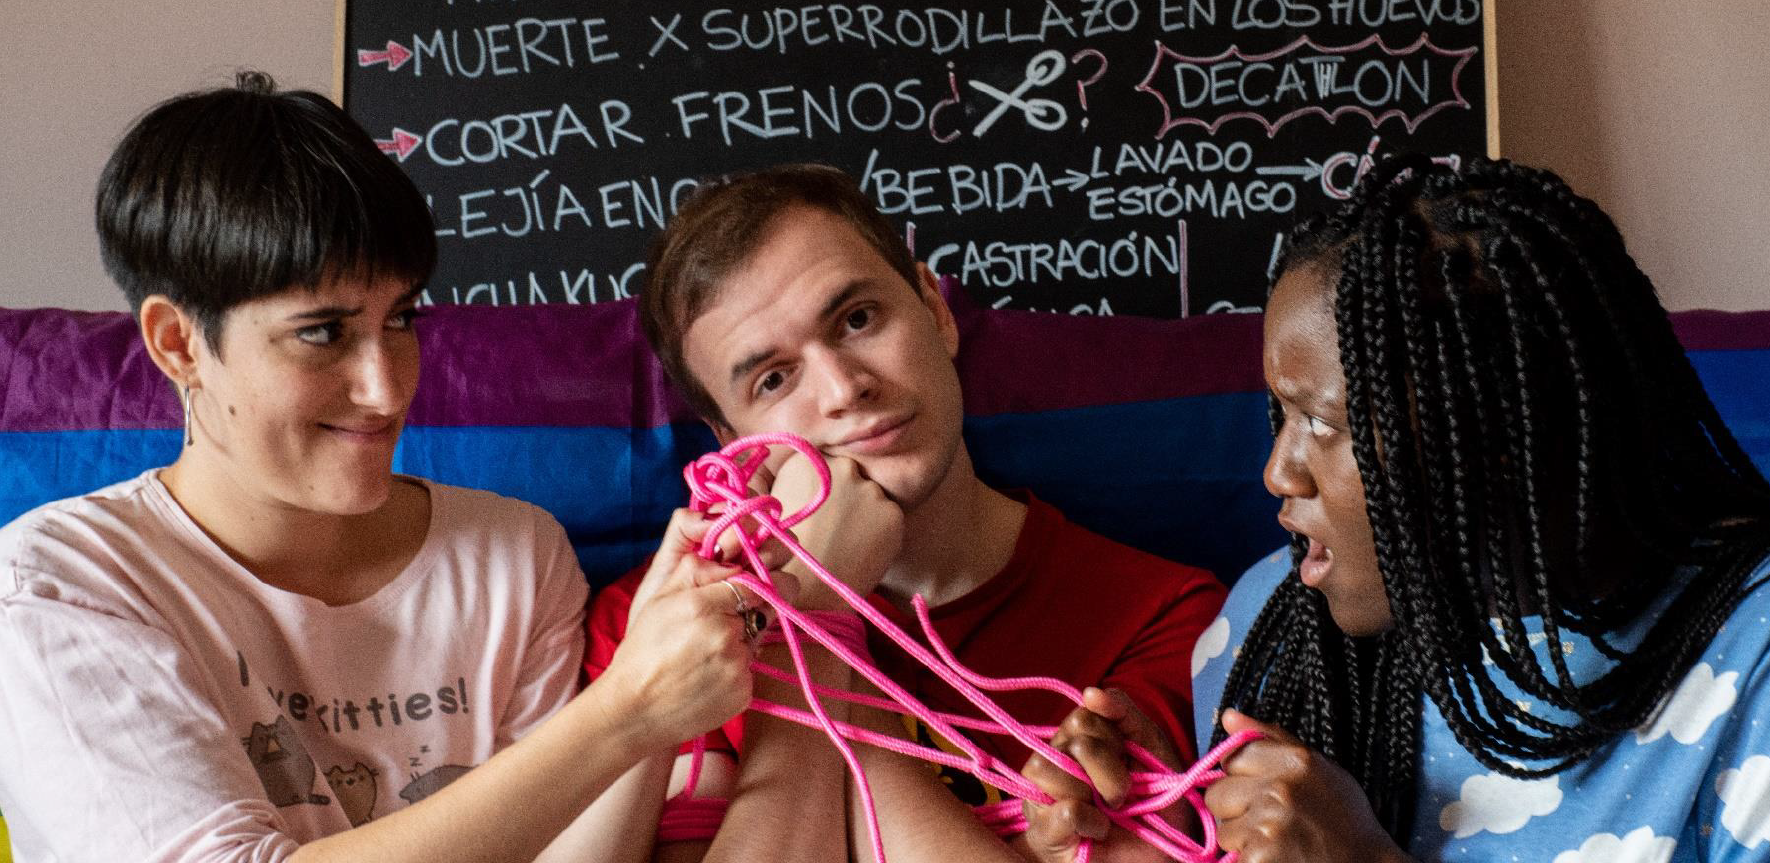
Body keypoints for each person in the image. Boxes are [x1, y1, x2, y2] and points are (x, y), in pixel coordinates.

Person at [0, 72, 767, 862]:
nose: (386, 386)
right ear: (177, 342)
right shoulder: (59, 582)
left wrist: (649, 696)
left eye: (400, 318)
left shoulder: (515, 554)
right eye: (323, 332)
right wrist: (622, 712)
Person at [1022, 155, 1770, 862]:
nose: (1277, 472)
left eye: (1320, 422)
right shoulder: (1262, 636)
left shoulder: (1752, 654)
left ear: (1495, 440)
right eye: (1278, 414)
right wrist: (1164, 829)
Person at [582, 163, 1227, 860]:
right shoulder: (655, 625)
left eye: (858, 319)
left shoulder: (1163, 613)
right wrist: (815, 598)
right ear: (734, 443)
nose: (843, 388)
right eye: (774, 378)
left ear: (936, 307)